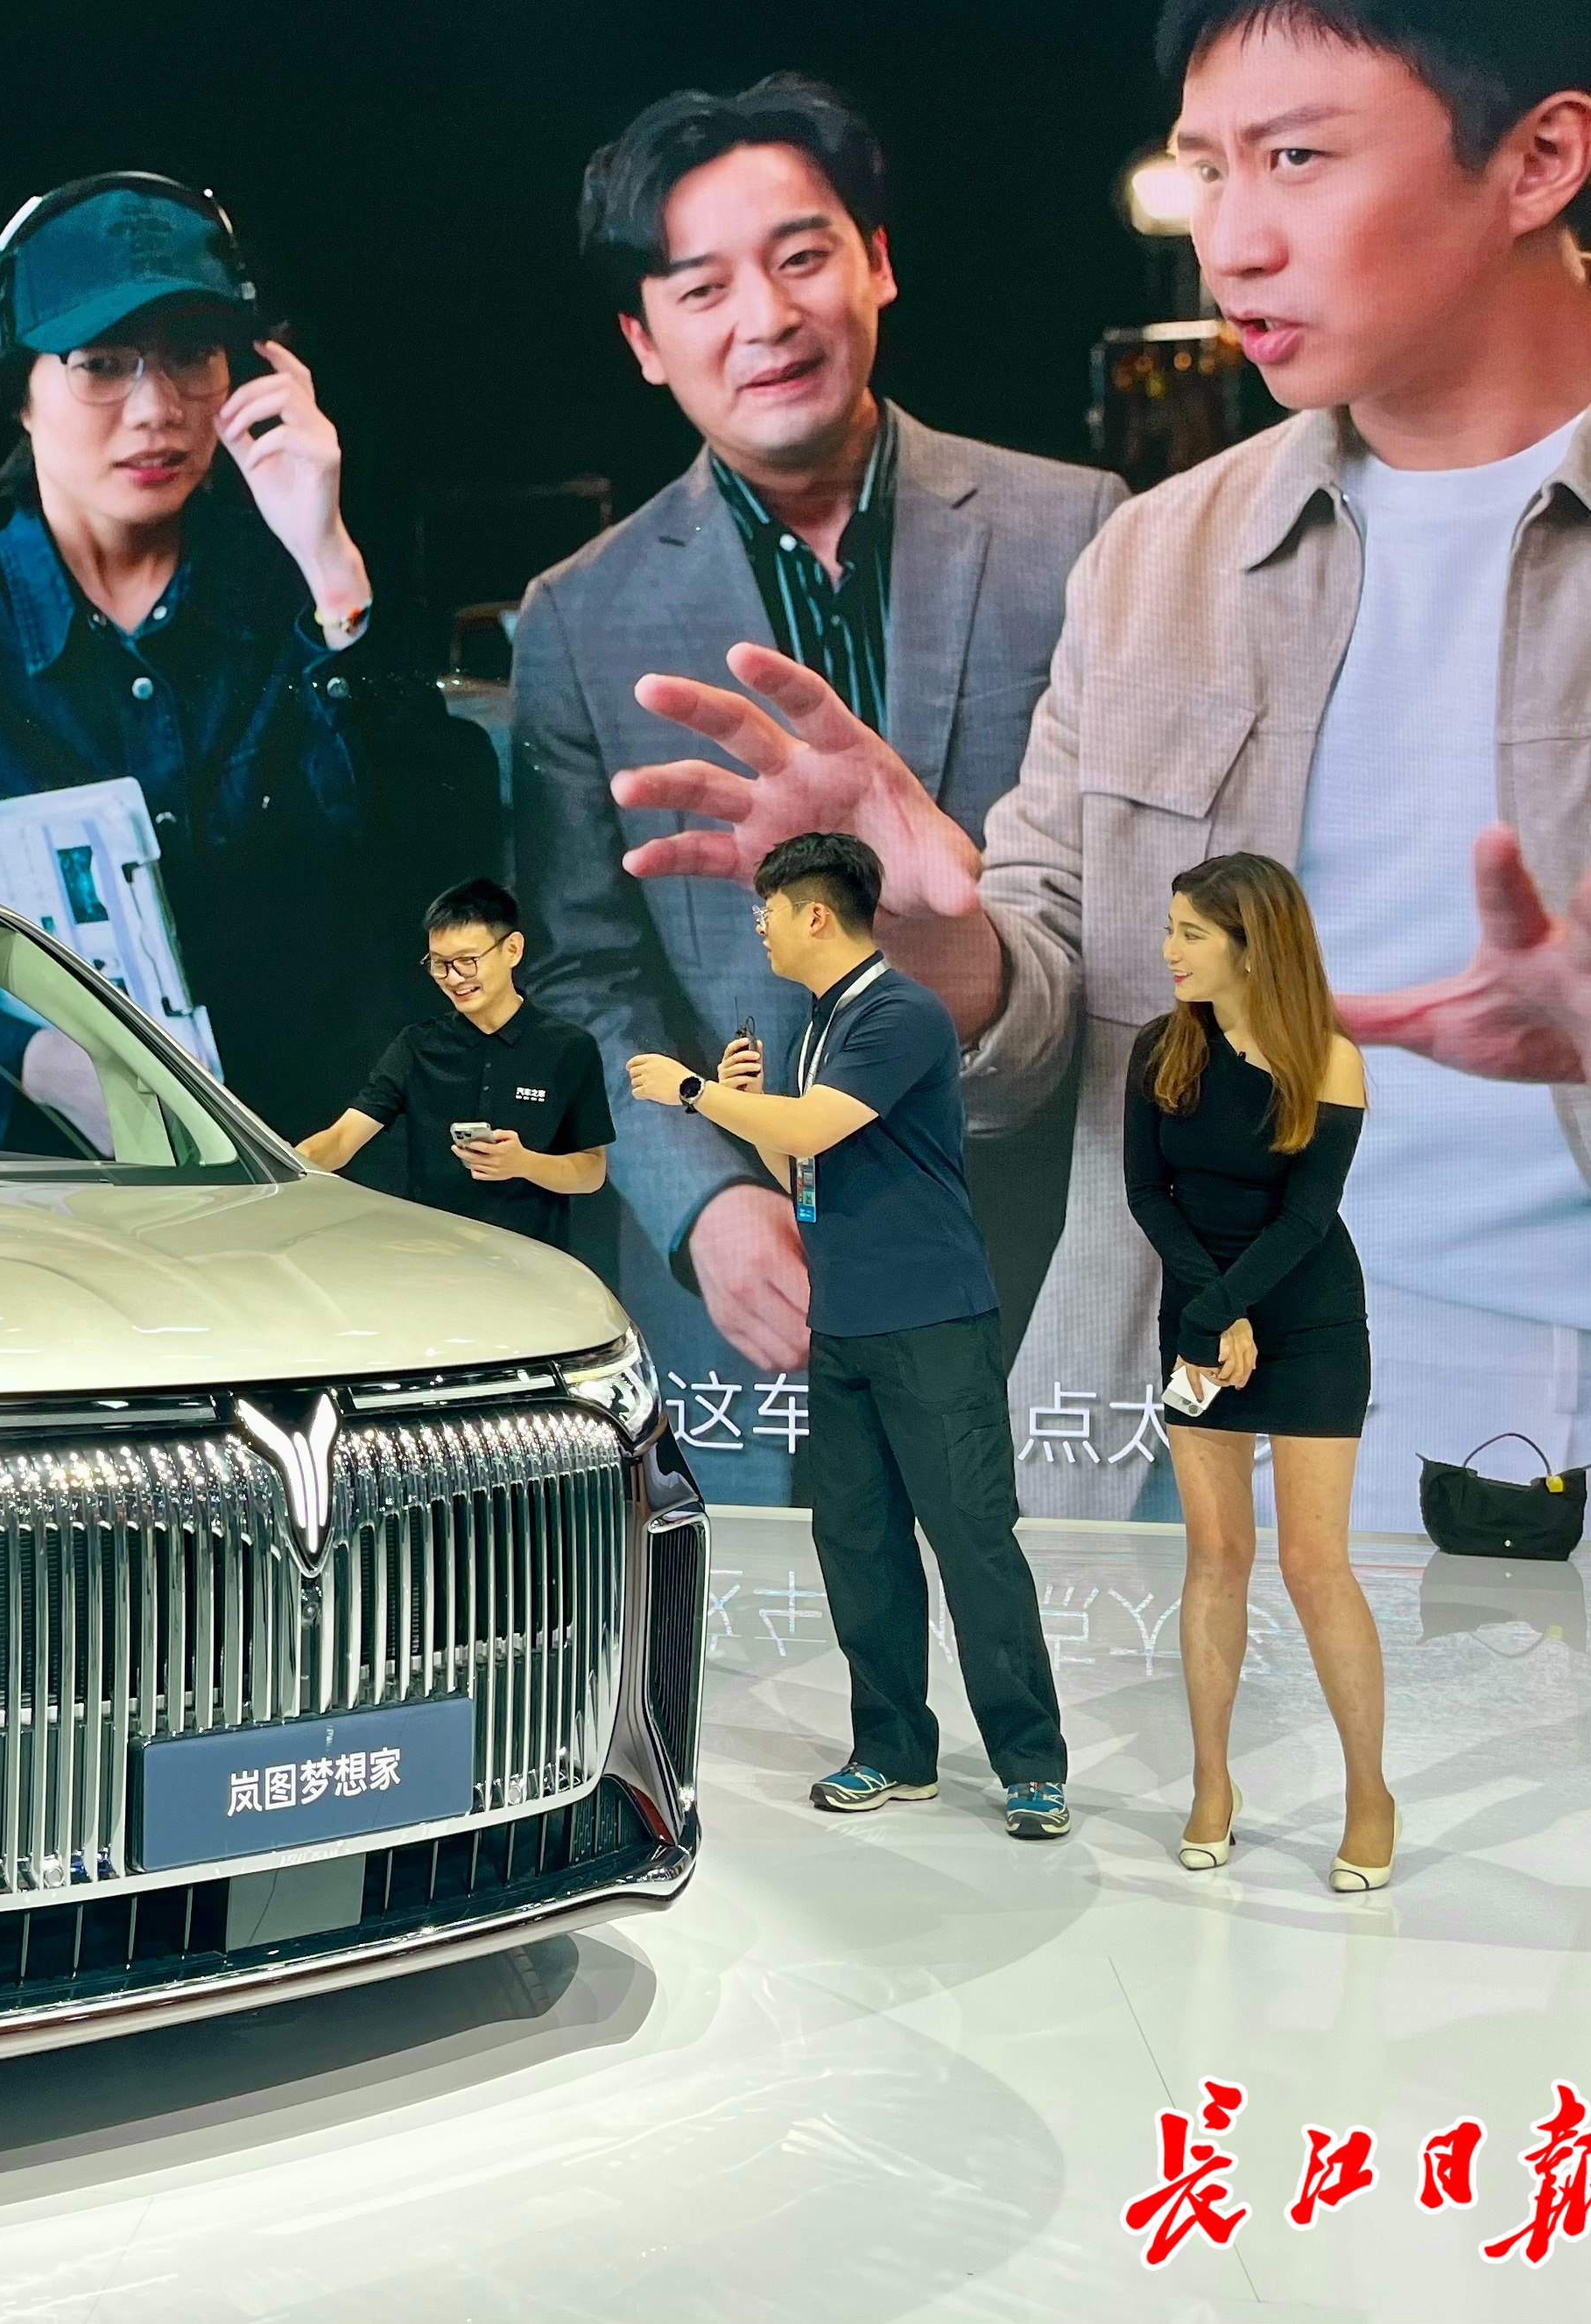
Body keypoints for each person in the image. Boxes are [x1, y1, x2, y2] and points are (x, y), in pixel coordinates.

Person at [592, 0, 1591, 1546]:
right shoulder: (1164, 558)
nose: (1232, 242)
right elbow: (1047, 1014)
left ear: (1542, 156)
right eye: (1206, 171)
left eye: (1296, 160)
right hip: (1168, 1435)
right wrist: (918, 937)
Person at [512, 75, 1125, 1505]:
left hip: (1038, 1261)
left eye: (802, 257)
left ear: (878, 262)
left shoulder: (1083, 536)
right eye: (703, 287)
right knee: (756, 1646)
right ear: (644, 340)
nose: (767, 317)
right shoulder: (577, 618)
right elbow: (582, 978)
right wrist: (705, 1204)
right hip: (749, 1306)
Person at [0, 173, 490, 1147]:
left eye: (192, 355)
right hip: (20, 1204)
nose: (157, 409)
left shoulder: (308, 614)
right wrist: (20, 1061)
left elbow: (444, 890)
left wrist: (330, 566)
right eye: (102, 364)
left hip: (314, 1183)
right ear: (13, 390)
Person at [625, 833, 1071, 1837]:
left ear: (816, 914)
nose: (759, 927)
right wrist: (749, 1107)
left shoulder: (898, 1011)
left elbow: (811, 1130)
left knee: (970, 1542)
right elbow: (803, 1172)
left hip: (931, 1325)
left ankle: (1030, 1764)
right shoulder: (820, 1027)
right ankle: (892, 1750)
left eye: (769, 909)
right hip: (845, 1326)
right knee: (858, 1544)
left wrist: (694, 1090)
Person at [1123, 854, 1393, 1889]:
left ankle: (1367, 1794)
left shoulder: (1326, 1056)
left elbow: (1307, 1212)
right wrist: (1206, 1311)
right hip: (1200, 1312)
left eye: (1189, 931)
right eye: (1170, 926)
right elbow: (1147, 1192)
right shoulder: (1159, 1048)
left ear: (1251, 944)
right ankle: (1210, 1783)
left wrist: (1226, 1308)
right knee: (1213, 1554)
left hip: (1307, 1319)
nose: (1169, 949)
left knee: (1313, 1565)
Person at [298, 878, 613, 1248]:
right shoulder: (417, 1046)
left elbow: (591, 1171)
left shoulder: (568, 1048)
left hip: (531, 1260)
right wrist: (288, 1165)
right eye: (439, 964)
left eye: (467, 961)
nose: (453, 978)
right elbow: (341, 1139)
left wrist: (523, 1163)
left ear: (512, 949)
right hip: (433, 1258)